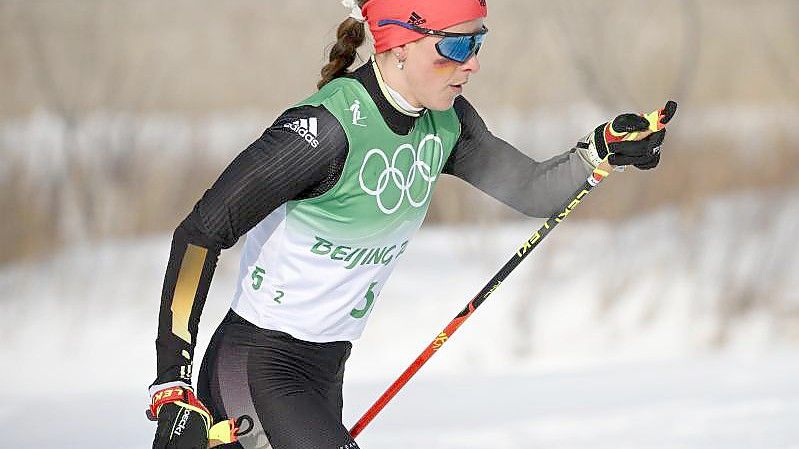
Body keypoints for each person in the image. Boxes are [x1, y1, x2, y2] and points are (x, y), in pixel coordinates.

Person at [147, 1, 674, 448]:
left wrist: (600, 150)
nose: (472, 64)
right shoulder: (325, 130)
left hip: (324, 369)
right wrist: (173, 386)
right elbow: (200, 233)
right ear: (400, 44)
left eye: (479, 43)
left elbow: (532, 189)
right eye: (458, 46)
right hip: (260, 366)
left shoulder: (447, 122)